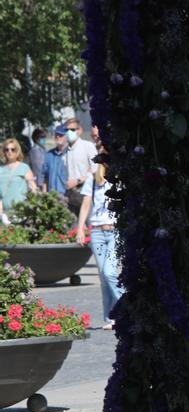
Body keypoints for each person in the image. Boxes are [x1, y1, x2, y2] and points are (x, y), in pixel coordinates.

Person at [74, 146, 122, 330]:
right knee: (103, 276)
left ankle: (126, 309)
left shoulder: (121, 179)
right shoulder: (93, 179)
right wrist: (80, 228)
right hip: (97, 232)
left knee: (110, 273)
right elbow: (86, 204)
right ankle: (111, 317)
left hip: (115, 231)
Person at [63, 118, 98, 215]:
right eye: (67, 130)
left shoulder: (88, 146)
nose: (69, 132)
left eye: (72, 130)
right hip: (70, 195)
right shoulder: (65, 151)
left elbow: (95, 169)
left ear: (80, 131)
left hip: (87, 194)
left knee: (89, 227)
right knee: (73, 228)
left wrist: (78, 180)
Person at [0, 138, 37, 217]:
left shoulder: (24, 168)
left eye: (12, 149)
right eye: (7, 149)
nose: (9, 152)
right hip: (4, 213)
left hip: (20, 212)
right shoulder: (1, 169)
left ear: (17, 151)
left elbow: (33, 188)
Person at [40, 125, 69, 195]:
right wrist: (44, 195)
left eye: (61, 135)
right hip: (52, 197)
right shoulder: (49, 155)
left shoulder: (71, 154)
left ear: (67, 137)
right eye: (56, 135)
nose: (58, 137)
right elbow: (45, 177)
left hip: (67, 197)